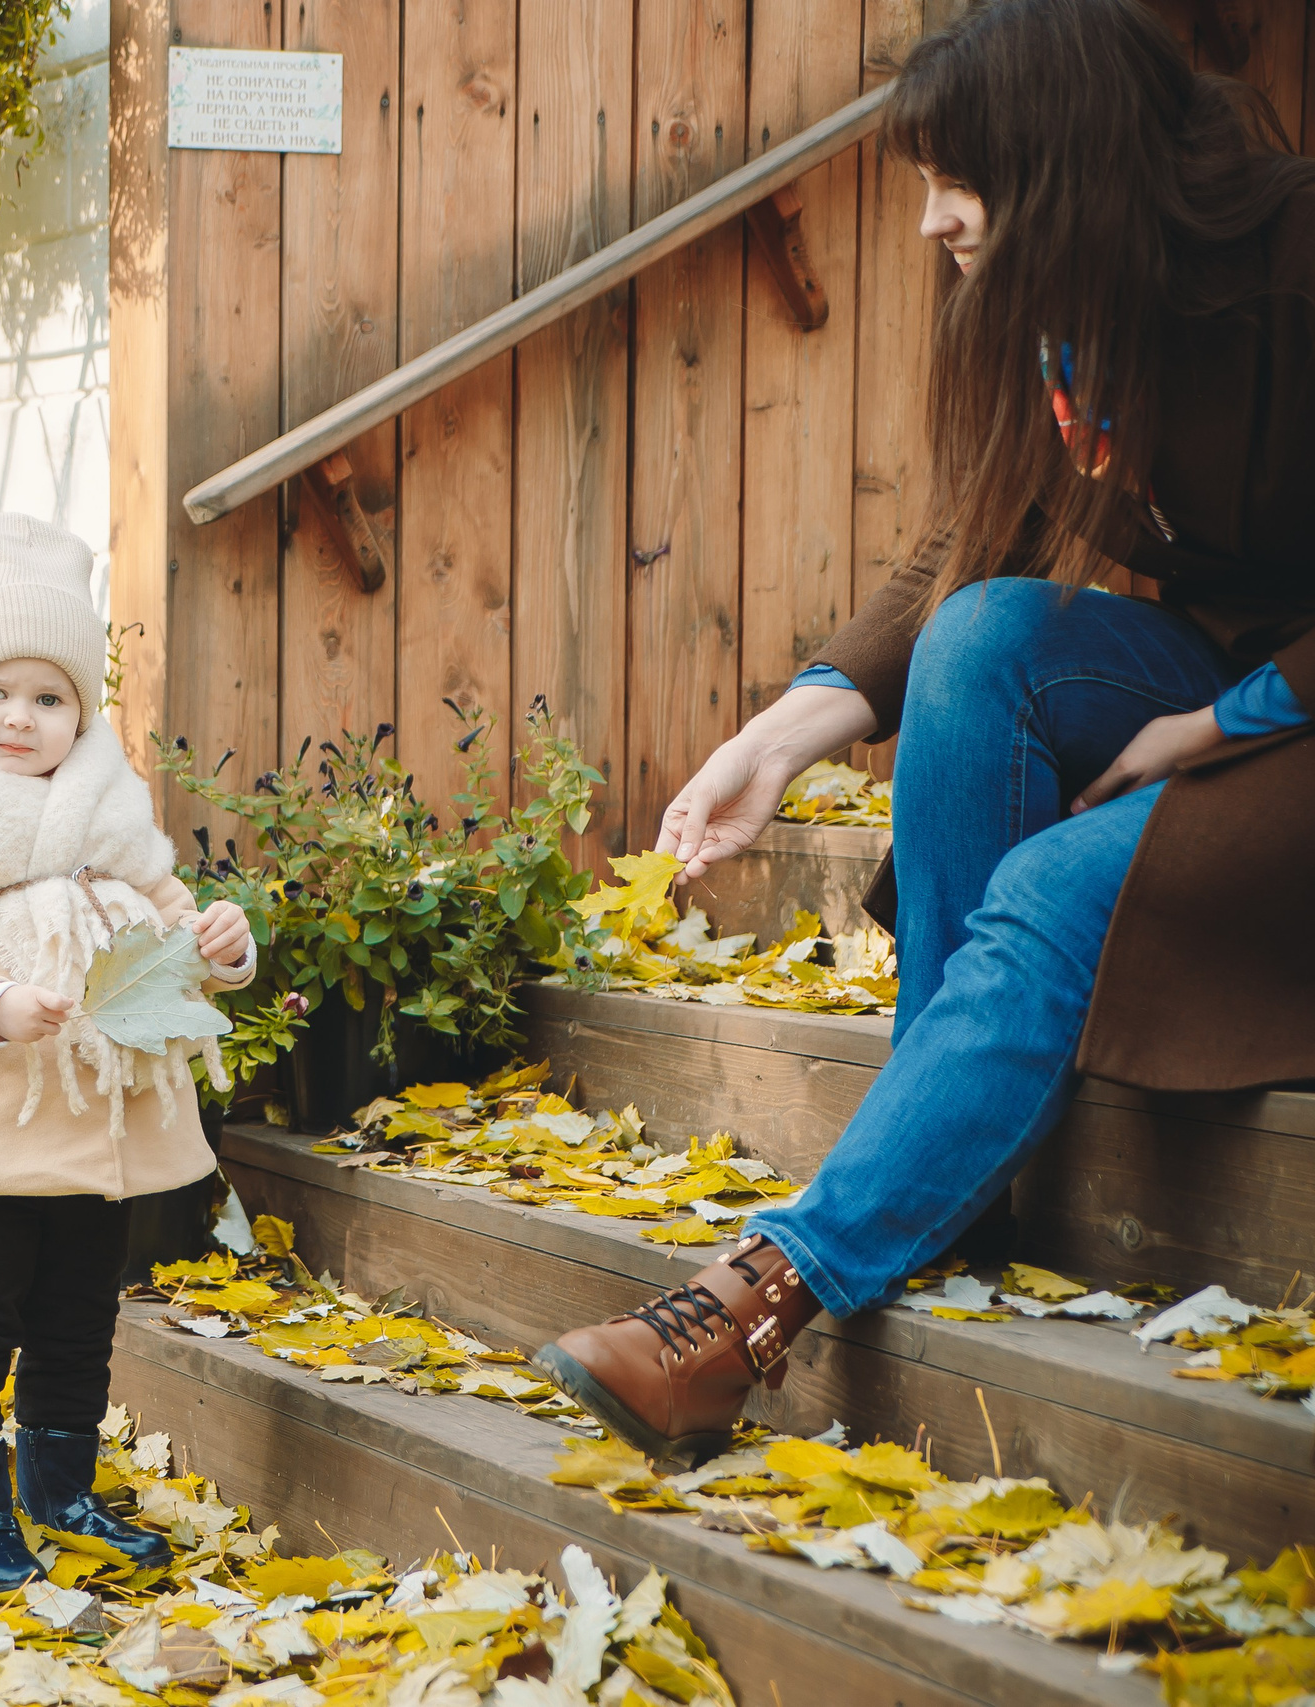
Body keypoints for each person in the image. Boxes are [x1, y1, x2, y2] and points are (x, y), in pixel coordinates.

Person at [534, 0, 1315, 1465]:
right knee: (981, 638)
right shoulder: (1060, 307)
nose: (928, 220)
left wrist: (1203, 731)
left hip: (1280, 714)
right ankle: (946, 1179)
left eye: (958, 181)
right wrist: (782, 735)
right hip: (1230, 684)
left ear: (1067, 162)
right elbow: (964, 543)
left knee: (1053, 885)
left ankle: (760, 1303)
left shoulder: (1295, 256)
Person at [0, 512, 256, 1588]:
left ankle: (60, 1487)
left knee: (78, 1321)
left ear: (81, 715)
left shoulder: (109, 825)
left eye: (49, 698)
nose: (20, 718)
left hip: (91, 1137)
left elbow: (172, 938)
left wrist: (220, 946)